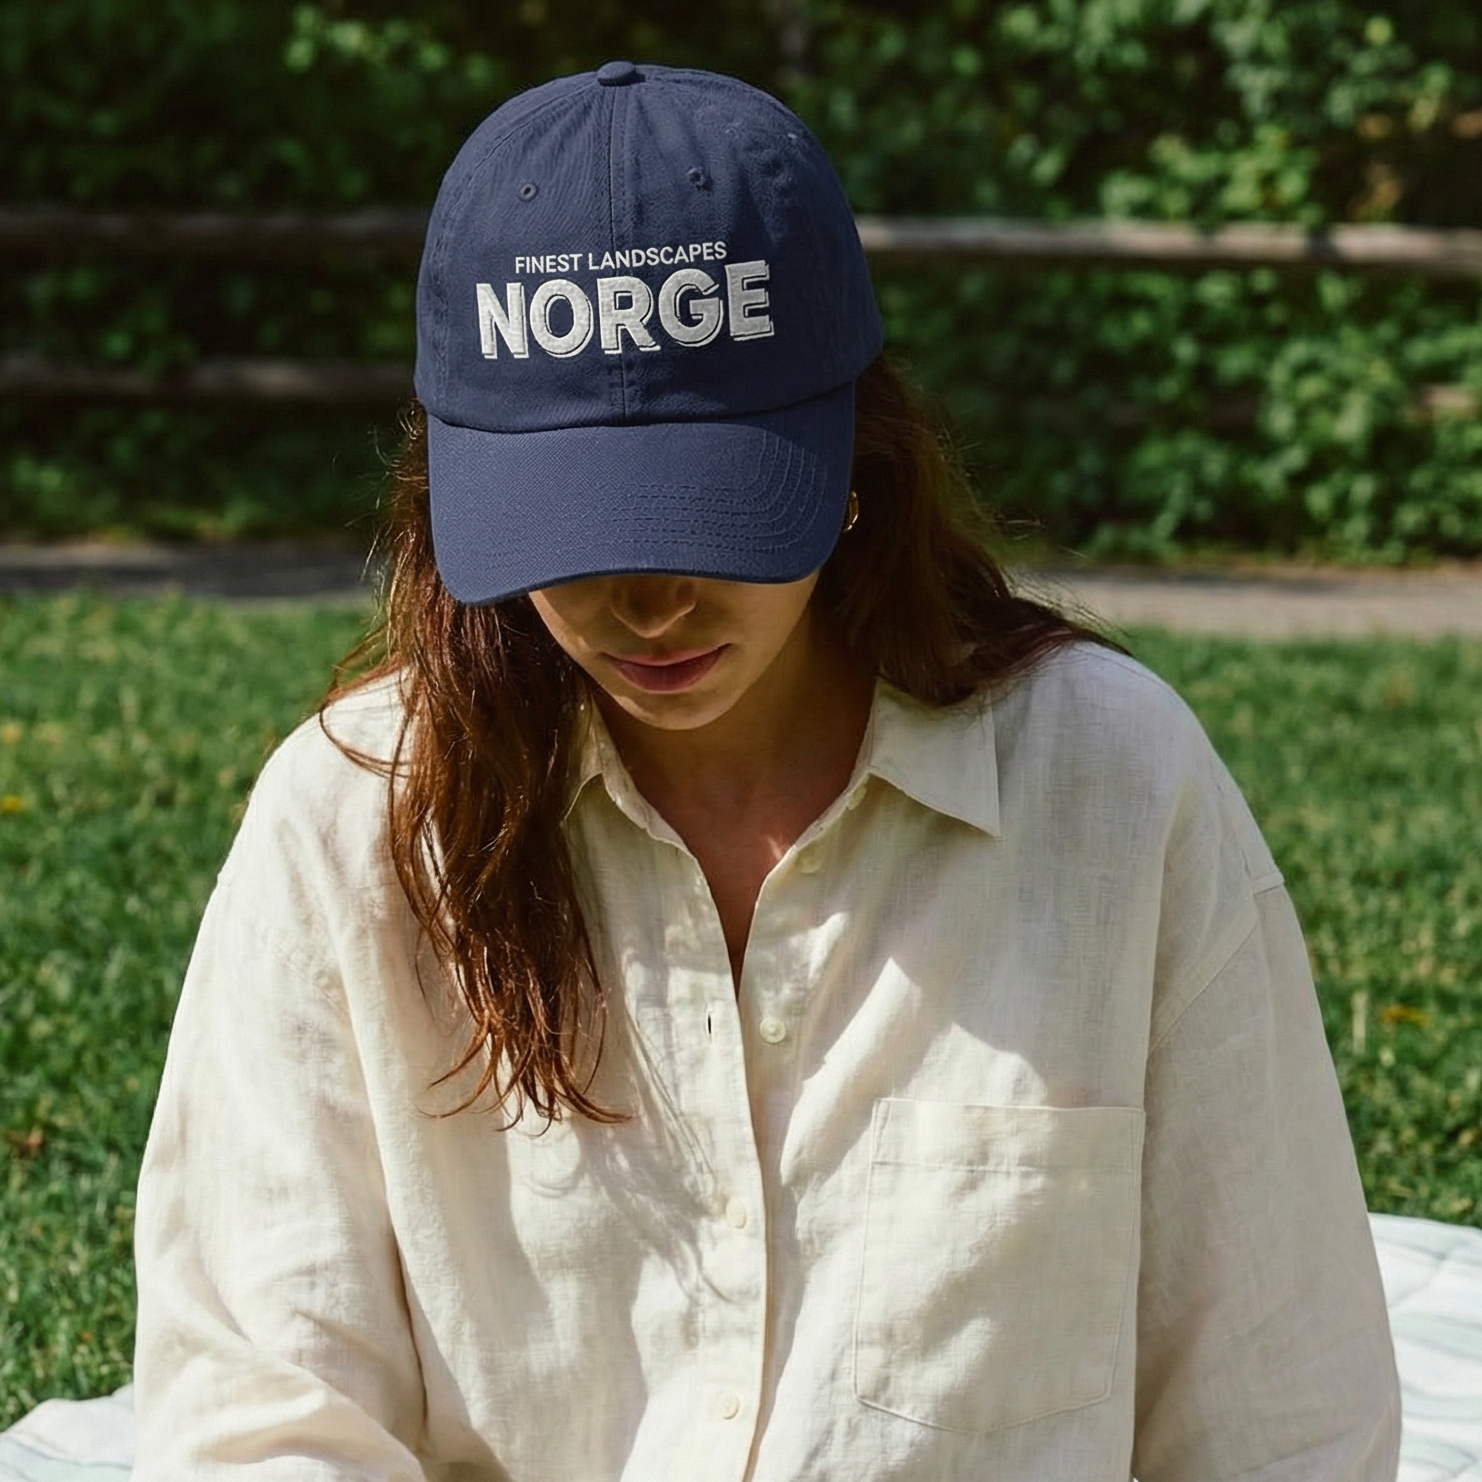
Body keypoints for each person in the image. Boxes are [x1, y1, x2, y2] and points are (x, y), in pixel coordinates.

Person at [131, 61, 1400, 1481]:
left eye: (716, 512)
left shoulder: (1107, 786)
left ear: (855, 454)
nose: (646, 599)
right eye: (571, 527)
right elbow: (255, 1413)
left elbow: (1278, 1411)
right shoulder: (350, 823)